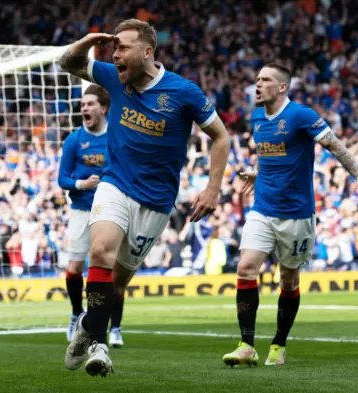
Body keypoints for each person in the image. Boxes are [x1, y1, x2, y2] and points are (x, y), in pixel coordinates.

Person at [59, 18, 230, 376]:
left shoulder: (183, 92)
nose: (115, 54)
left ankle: (89, 326)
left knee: (117, 284)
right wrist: (88, 41)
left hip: (156, 201)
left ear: (147, 51)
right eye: (113, 48)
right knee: (100, 251)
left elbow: (221, 136)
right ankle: (100, 346)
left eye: (122, 48)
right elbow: (68, 63)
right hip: (115, 183)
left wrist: (213, 188)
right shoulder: (111, 77)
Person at [221, 63, 358, 367]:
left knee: (289, 280)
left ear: (282, 87)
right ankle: (246, 344)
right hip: (263, 208)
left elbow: (336, 147)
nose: (257, 85)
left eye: (265, 80)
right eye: (256, 80)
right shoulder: (256, 116)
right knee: (246, 267)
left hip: (296, 214)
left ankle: (279, 344)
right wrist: (258, 174)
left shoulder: (301, 115)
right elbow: (272, 155)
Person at [58, 84, 125, 347]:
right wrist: (80, 185)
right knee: (74, 269)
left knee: (114, 271)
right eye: (82, 104)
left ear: (103, 108)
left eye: (89, 104)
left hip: (111, 210)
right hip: (81, 209)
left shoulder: (116, 136)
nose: (84, 108)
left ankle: (115, 327)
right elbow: (62, 177)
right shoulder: (74, 140)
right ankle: (76, 314)